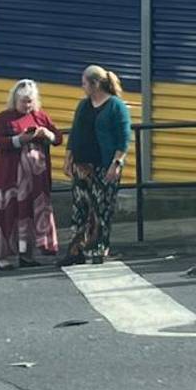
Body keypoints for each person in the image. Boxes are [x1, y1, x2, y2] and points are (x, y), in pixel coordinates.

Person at [62, 65, 133, 265]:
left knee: (102, 207)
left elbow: (123, 137)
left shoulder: (115, 106)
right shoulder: (83, 106)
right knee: (80, 208)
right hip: (83, 165)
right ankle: (76, 250)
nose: (82, 87)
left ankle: (99, 248)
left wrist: (116, 162)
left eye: (84, 83)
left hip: (104, 164)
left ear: (95, 84)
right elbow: (75, 133)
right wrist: (68, 159)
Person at [0, 79, 62, 270]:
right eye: (23, 101)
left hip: (35, 181)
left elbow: (58, 138)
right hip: (10, 179)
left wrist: (48, 134)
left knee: (30, 215)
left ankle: (27, 255)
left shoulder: (40, 116)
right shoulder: (4, 118)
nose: (27, 105)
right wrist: (18, 140)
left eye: (30, 101)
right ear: (15, 99)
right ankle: (3, 257)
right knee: (8, 215)